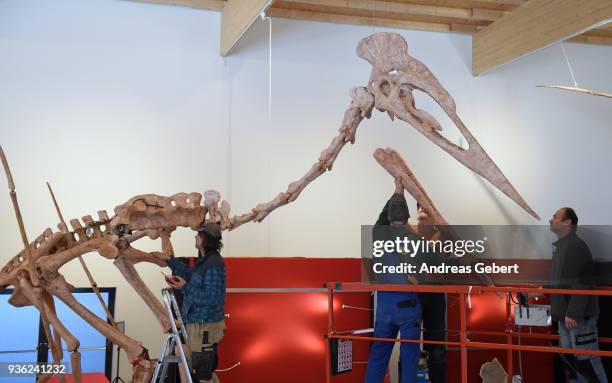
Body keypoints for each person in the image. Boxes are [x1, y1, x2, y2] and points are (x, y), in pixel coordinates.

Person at [365, 179, 422, 383]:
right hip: (408, 307)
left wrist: (397, 191)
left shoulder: (378, 234)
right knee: (409, 357)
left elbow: (381, 218)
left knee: (378, 354)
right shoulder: (415, 240)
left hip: (384, 307)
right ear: (407, 217)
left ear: (389, 217)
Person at [549, 207, 607, 383]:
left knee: (586, 362)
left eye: (555, 217)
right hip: (565, 316)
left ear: (567, 222)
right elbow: (561, 280)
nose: (551, 220)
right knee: (572, 364)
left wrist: (573, 312)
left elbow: (583, 281)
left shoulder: (575, 246)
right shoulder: (562, 248)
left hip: (577, 318)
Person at [165, 223, 227, 383]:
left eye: (198, 235)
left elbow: (212, 298)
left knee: (203, 373)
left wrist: (184, 287)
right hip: (197, 326)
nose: (195, 236)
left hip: (205, 327)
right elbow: (191, 274)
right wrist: (170, 262)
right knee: (202, 370)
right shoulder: (204, 262)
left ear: (204, 239)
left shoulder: (213, 264)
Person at [408, 202, 447, 383]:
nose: (422, 213)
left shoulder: (442, 235)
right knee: (409, 347)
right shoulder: (410, 232)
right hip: (414, 295)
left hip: (435, 297)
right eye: (420, 210)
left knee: (437, 350)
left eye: (426, 211)